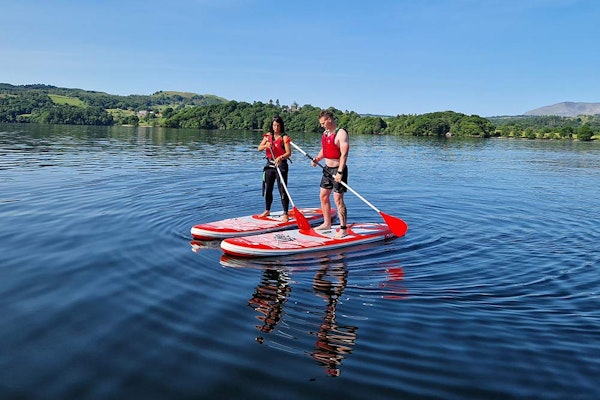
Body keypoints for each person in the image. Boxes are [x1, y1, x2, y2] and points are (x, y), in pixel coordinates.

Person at [311, 110, 349, 238]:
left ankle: (343, 229)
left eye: (323, 123)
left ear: (329, 120)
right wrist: (317, 159)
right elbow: (325, 149)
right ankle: (327, 223)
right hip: (327, 170)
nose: (322, 125)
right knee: (323, 196)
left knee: (338, 199)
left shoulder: (341, 133)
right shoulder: (325, 133)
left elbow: (344, 154)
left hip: (338, 170)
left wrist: (340, 172)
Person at [258, 115, 292, 222]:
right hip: (270, 165)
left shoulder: (284, 137)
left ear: (281, 126)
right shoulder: (267, 136)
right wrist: (265, 146)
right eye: (274, 125)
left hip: (281, 165)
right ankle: (267, 210)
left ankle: (285, 213)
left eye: (278, 125)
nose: (276, 128)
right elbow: (259, 148)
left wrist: (281, 157)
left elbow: (288, 153)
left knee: (282, 189)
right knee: (268, 189)